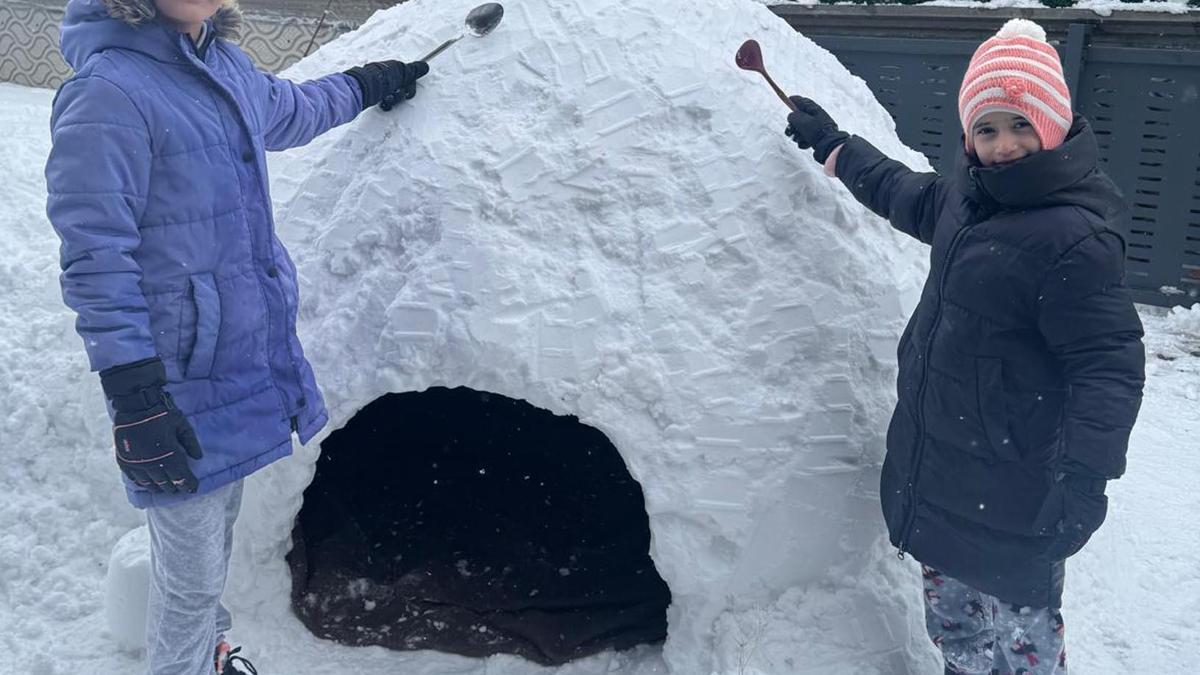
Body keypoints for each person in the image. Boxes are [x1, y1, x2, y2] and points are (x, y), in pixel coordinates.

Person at [44, 0, 430, 672]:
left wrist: (372, 82)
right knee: (190, 576)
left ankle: (209, 650)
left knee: (212, 546)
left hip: (240, 360)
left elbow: (296, 108)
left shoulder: (223, 68)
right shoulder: (107, 92)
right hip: (171, 382)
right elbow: (94, 255)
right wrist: (136, 397)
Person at [783, 18, 1145, 675]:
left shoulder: (1073, 239)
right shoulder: (965, 201)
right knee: (955, 626)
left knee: (1023, 641)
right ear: (968, 136)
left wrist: (1084, 480)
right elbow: (899, 190)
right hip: (944, 469)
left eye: (1019, 124)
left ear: (1055, 126)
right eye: (987, 128)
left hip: (1021, 486)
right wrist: (835, 145)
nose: (1003, 145)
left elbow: (1108, 371)